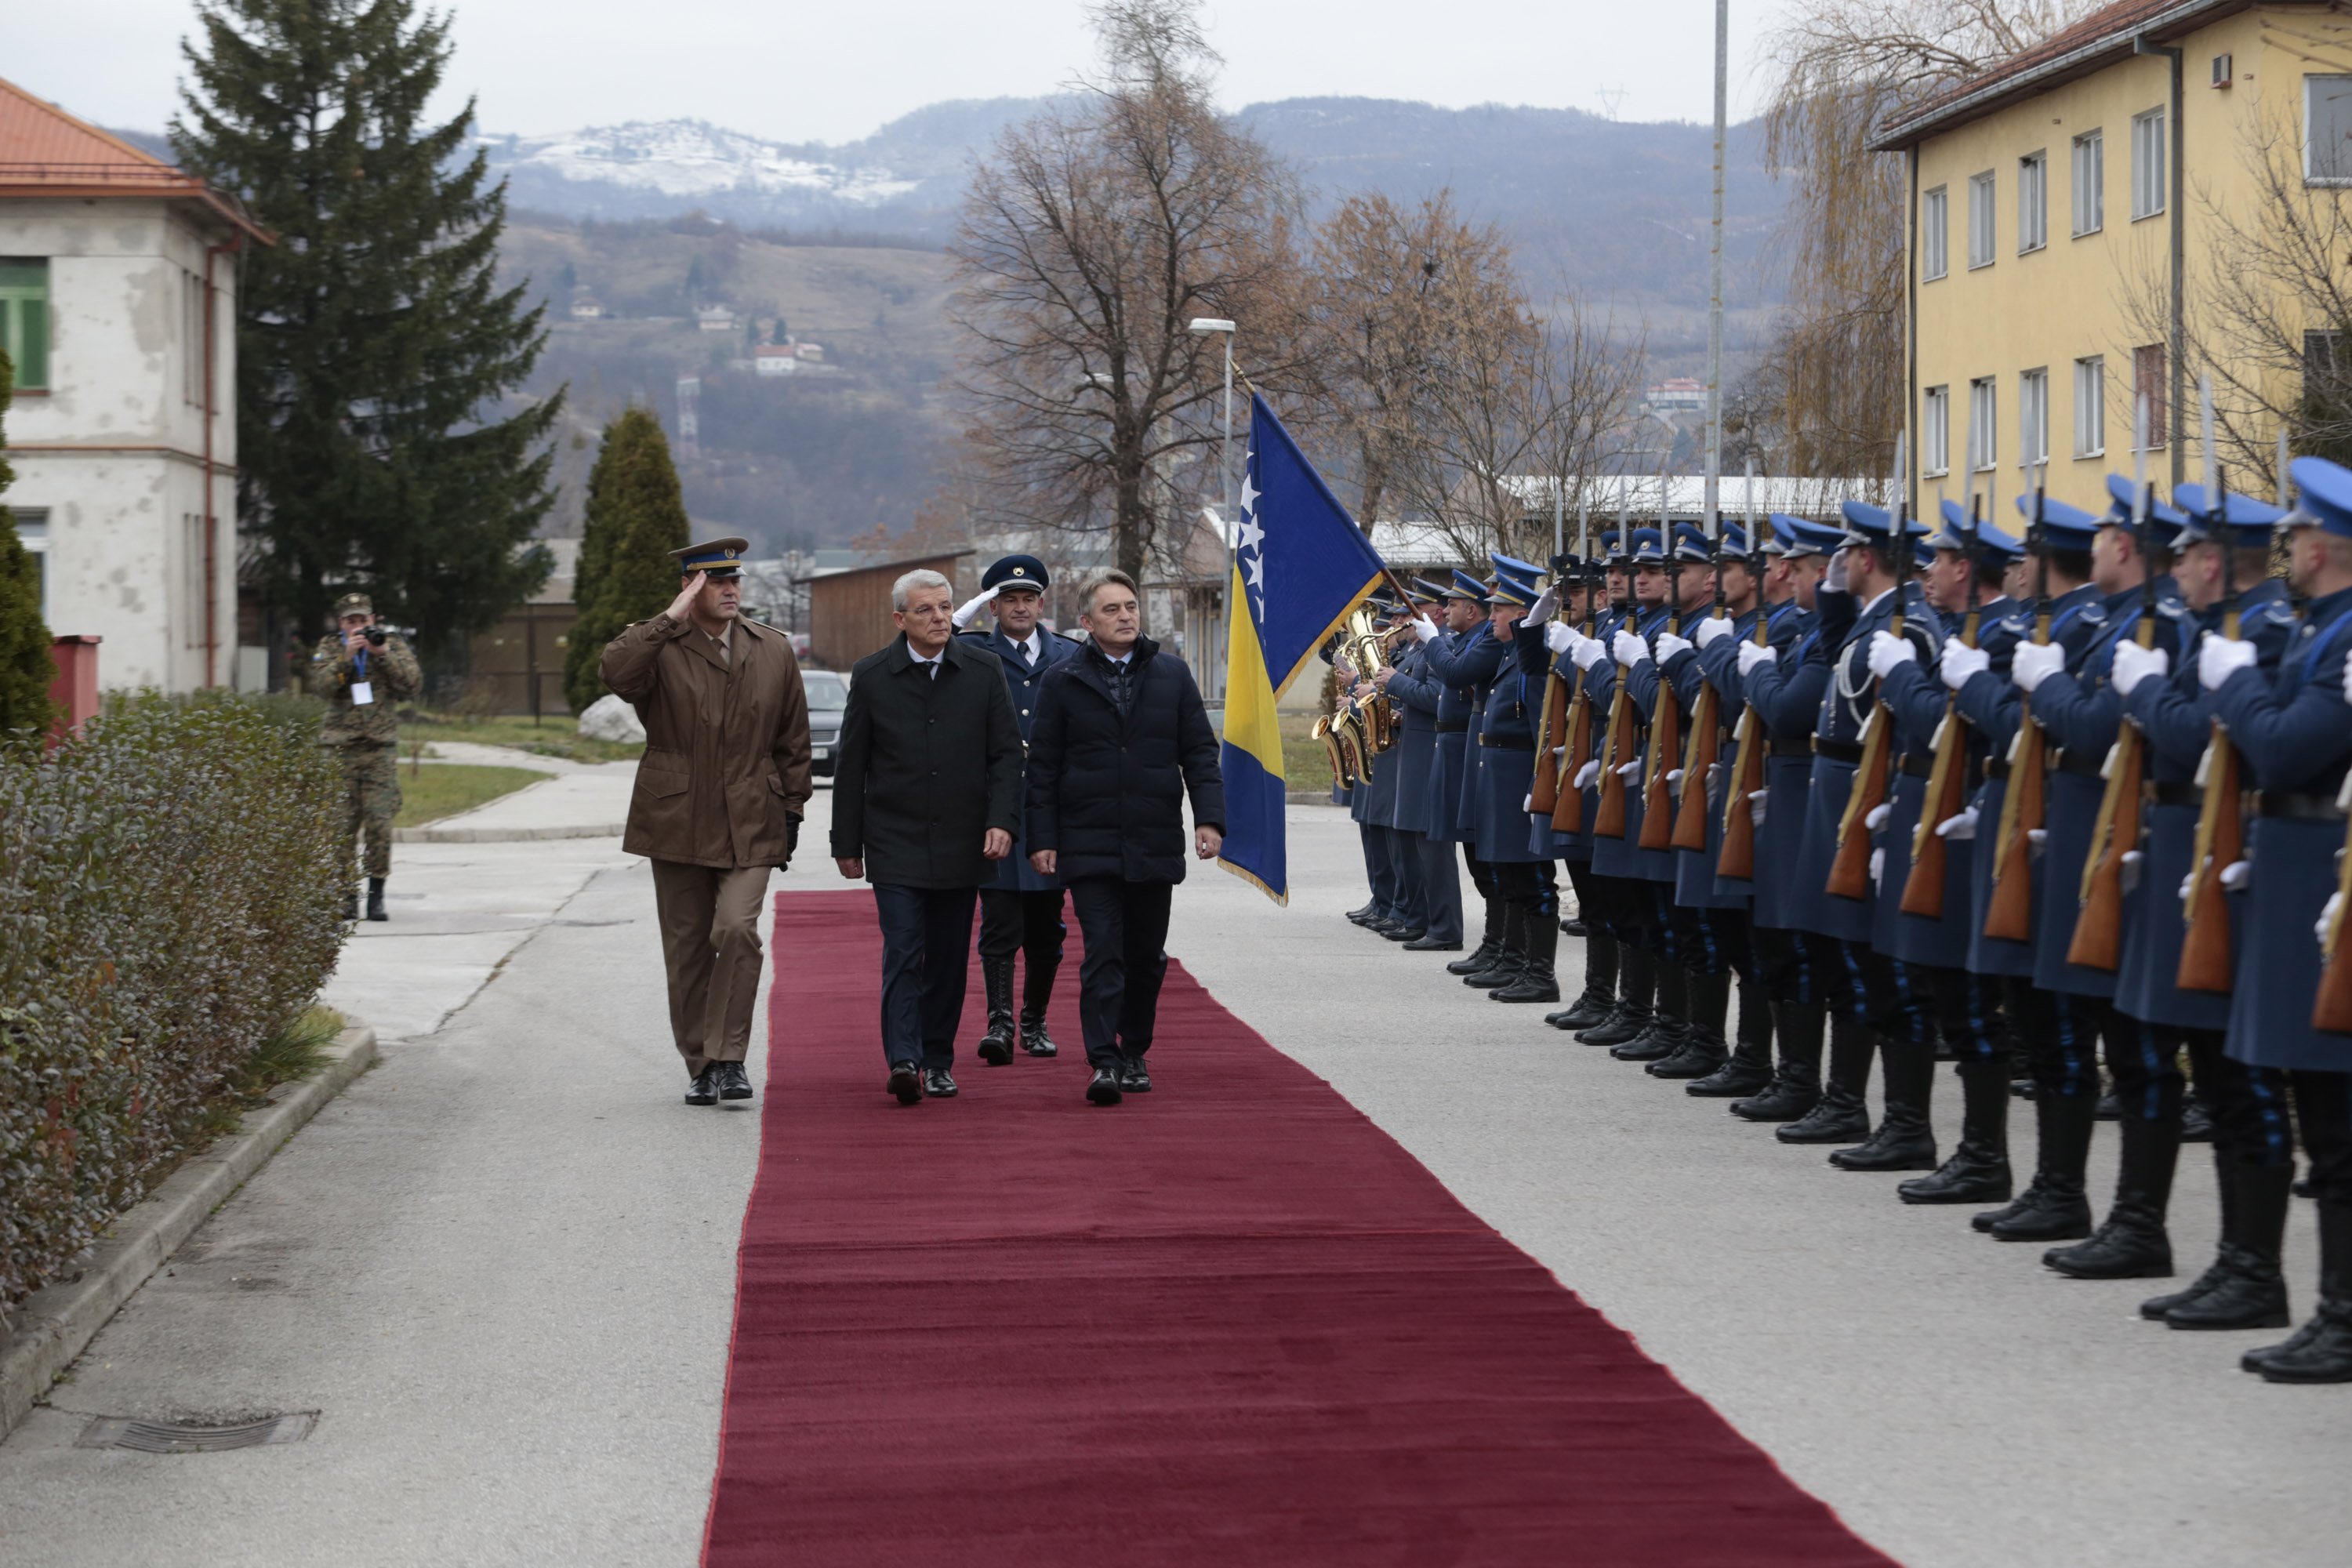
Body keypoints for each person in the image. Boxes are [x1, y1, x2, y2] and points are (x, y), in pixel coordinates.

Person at [602, 538, 813, 1106]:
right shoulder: (659, 646)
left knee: (737, 930)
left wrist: (792, 811)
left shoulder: (771, 649)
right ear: (689, 588)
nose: (729, 590)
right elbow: (615, 673)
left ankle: (730, 1056)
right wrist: (667, 620)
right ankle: (701, 1065)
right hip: (676, 817)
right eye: (714, 582)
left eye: (733, 580)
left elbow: (793, 741)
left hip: (751, 817)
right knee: (688, 948)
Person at [1024, 570, 1226, 1106]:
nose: (1126, 616)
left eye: (1131, 606)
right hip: (1087, 843)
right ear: (1087, 622)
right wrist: (1041, 838)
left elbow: (1200, 754)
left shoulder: (1172, 675)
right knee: (1102, 952)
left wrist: (1210, 819)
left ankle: (1135, 1047)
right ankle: (1104, 1061)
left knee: (1145, 955)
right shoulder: (1063, 681)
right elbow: (1041, 768)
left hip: (1152, 838)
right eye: (1112, 610)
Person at [831, 568, 1024, 1105]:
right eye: (926, 610)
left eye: (945, 607)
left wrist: (1002, 820)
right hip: (895, 839)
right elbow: (853, 765)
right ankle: (904, 1059)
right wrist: (846, 844)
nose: (940, 618)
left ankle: (937, 1058)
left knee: (946, 957)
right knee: (904, 950)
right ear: (900, 619)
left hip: (964, 840)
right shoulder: (872, 676)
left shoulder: (983, 670)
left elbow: (1007, 754)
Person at [953, 554, 1083, 1060]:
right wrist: (961, 617)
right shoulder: (971, 653)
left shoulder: (1070, 656)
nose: (1021, 607)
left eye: (1028, 599)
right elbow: (920, 648)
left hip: (1051, 810)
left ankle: (1035, 1021)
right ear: (993, 607)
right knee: (1000, 922)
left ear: (1042, 603)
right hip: (997, 811)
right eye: (1009, 600)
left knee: (1047, 927)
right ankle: (1000, 1024)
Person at [309, 591, 421, 923]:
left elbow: (412, 685)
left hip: (379, 749)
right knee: (340, 826)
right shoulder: (330, 647)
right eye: (351, 621)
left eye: (363, 619)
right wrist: (346, 657)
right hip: (339, 749)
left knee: (380, 824)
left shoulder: (391, 644)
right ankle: (346, 896)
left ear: (373, 619)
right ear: (341, 623)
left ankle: (376, 895)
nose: (358, 626)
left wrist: (382, 654)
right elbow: (321, 687)